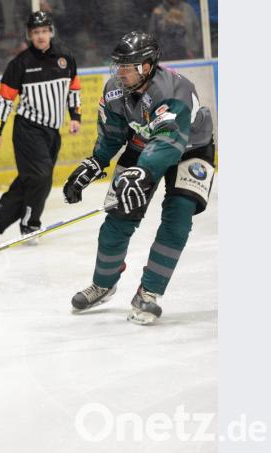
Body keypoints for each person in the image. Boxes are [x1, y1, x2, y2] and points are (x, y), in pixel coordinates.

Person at [62, 31, 214, 325]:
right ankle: (103, 283)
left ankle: (149, 293)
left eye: (127, 66)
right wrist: (96, 161)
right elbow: (112, 134)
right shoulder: (114, 90)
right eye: (118, 65)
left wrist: (142, 172)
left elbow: (170, 140)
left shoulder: (173, 89)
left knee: (178, 217)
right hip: (143, 144)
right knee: (118, 215)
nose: (120, 72)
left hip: (191, 148)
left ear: (147, 66)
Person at [0, 11, 81, 247]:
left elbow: (74, 88)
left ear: (50, 32)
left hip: (52, 132)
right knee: (41, 177)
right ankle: (30, 224)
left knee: (31, 180)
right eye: (35, 33)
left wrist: (75, 116)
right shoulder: (20, 63)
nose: (40, 36)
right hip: (28, 130)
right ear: (29, 35)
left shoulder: (65, 58)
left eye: (44, 31)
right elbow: (4, 100)